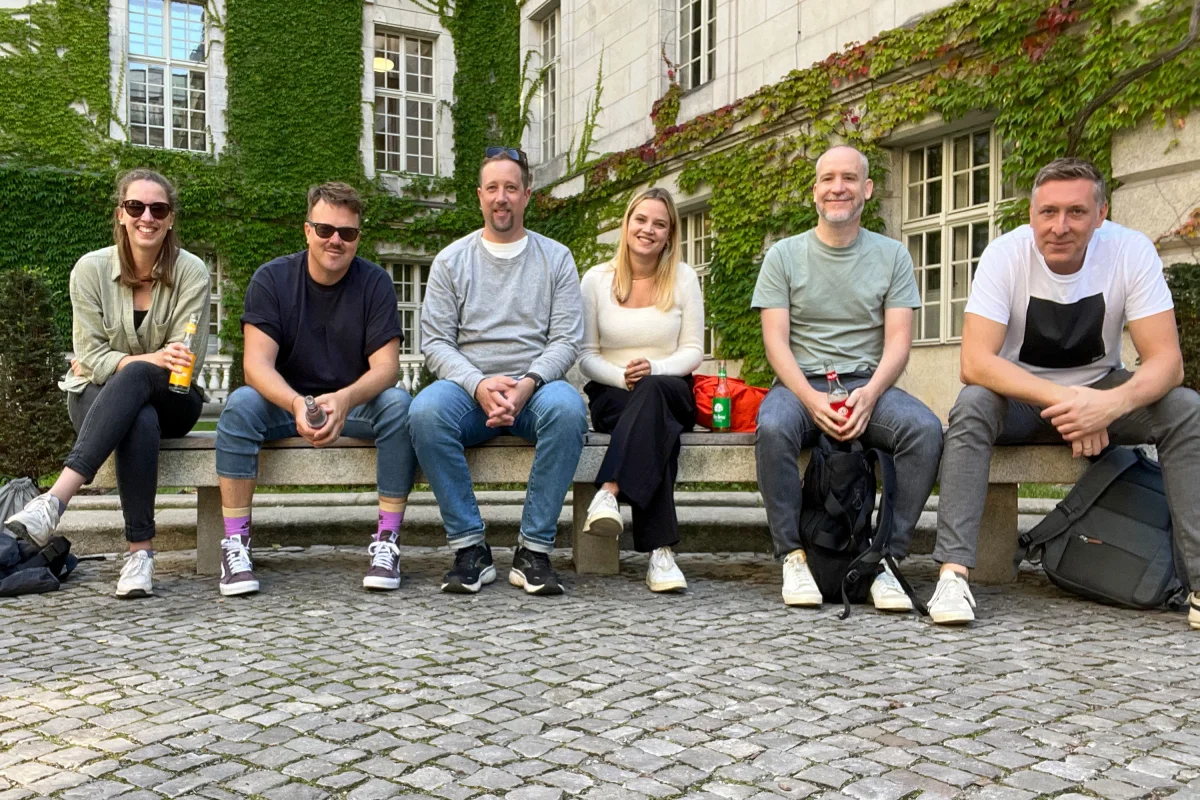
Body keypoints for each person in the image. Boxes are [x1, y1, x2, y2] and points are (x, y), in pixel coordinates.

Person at [931, 157, 1200, 629]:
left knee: (1185, 408)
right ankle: (953, 575)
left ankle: (1198, 583)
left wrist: (1107, 405)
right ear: (1031, 213)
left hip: (1102, 393)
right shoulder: (1005, 253)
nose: (1060, 226)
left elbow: (1167, 364)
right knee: (972, 405)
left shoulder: (1129, 251)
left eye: (1076, 212)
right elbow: (975, 362)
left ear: (1101, 214)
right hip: (1021, 398)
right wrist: (1071, 405)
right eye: (1047, 212)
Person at [752, 145, 944, 610]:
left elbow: (899, 340)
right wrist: (811, 400)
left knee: (924, 430)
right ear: (815, 190)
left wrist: (871, 394)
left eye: (849, 178)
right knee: (773, 427)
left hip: (867, 382)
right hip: (800, 384)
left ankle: (886, 561)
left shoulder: (892, 255)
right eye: (828, 179)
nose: (838, 187)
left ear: (867, 189)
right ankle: (792, 557)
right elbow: (776, 341)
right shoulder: (784, 255)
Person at [5, 169, 210, 599]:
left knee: (140, 383)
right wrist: (149, 359)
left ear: (171, 218)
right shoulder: (90, 270)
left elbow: (184, 361)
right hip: (94, 397)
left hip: (176, 398)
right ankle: (140, 554)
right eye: (136, 207)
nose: (147, 217)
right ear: (121, 214)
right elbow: (90, 357)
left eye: (159, 209)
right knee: (139, 418)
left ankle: (54, 501)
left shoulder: (191, 271)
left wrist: (142, 364)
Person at [214, 182, 415, 597]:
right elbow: (255, 366)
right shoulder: (272, 279)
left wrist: (344, 399)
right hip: (284, 404)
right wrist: (293, 402)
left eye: (347, 233)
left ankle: (388, 540)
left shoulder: (375, 282)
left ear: (358, 237)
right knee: (240, 405)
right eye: (325, 230)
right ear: (307, 231)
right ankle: (236, 543)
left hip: (353, 404)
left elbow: (387, 369)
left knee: (397, 404)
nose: (335, 240)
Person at [409, 147, 587, 596]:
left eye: (511, 188)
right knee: (425, 412)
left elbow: (566, 339)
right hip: (468, 391)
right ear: (480, 196)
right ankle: (470, 548)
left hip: (537, 388)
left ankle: (533, 551)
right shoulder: (452, 260)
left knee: (568, 411)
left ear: (527, 194)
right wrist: (479, 383)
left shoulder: (557, 258)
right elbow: (435, 342)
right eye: (493, 188)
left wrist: (527, 385)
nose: (501, 197)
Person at [578, 188, 703, 592]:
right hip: (613, 393)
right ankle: (661, 554)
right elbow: (586, 355)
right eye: (641, 220)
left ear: (670, 235)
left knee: (654, 399)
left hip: (672, 388)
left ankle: (610, 490)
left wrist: (655, 370)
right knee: (656, 431)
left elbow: (694, 351)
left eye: (659, 224)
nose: (648, 230)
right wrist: (621, 377)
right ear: (627, 223)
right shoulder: (596, 280)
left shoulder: (683, 277)